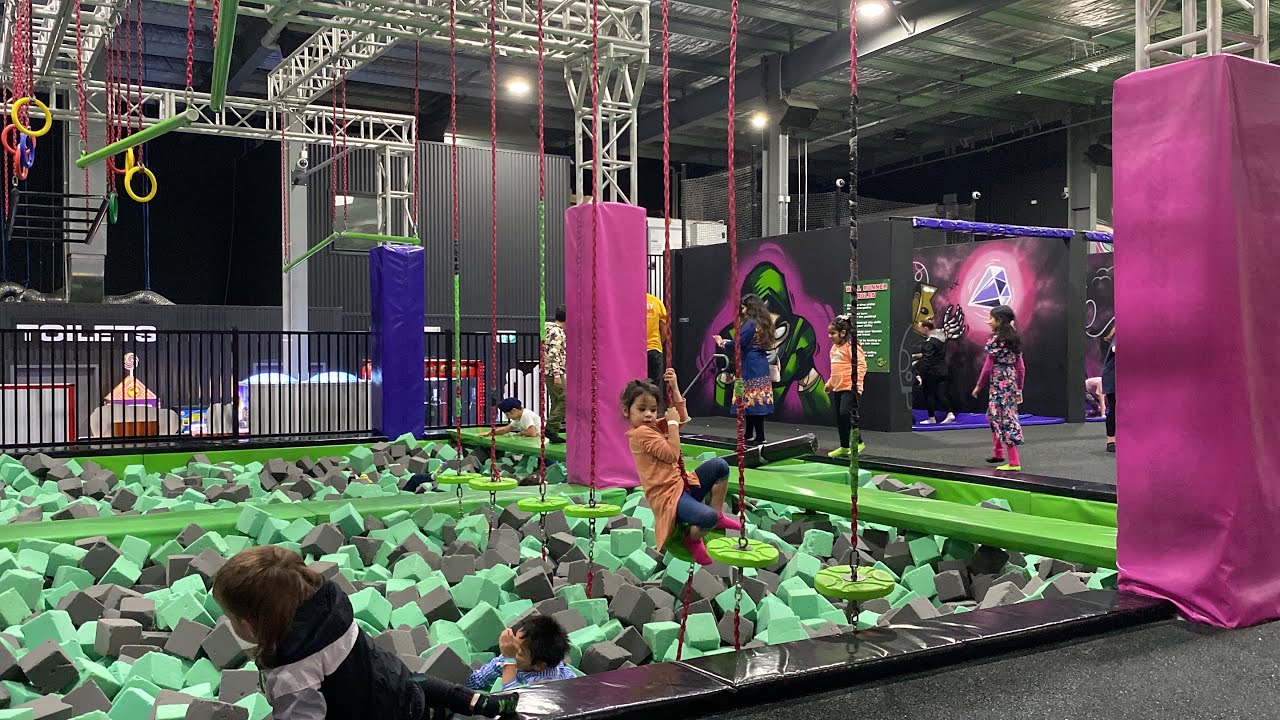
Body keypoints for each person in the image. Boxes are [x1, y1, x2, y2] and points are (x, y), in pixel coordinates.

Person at [212, 545, 518, 720]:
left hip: (387, 714)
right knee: (424, 683)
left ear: (249, 626)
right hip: (398, 683)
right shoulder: (331, 610)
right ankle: (481, 703)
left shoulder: (293, 673)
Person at [623, 368, 741, 566]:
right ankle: (692, 538)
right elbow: (671, 454)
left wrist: (675, 389)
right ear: (627, 411)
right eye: (641, 409)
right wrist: (672, 425)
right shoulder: (641, 434)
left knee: (720, 466)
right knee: (707, 518)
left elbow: (682, 418)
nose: (648, 415)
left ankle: (718, 513)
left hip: (683, 484)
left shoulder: (650, 428)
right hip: (668, 497)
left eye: (653, 410)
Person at [713, 294, 775, 446]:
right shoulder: (764, 323)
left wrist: (722, 343)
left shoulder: (750, 324)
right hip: (760, 364)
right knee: (756, 400)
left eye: (743, 307)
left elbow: (739, 343)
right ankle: (755, 434)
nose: (742, 310)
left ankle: (755, 435)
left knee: (749, 400)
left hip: (750, 365)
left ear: (750, 307)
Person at [972, 305, 1026, 472]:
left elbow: (987, 367)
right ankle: (998, 452)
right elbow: (1021, 368)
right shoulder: (1014, 340)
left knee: (1004, 420)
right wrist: (1019, 389)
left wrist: (978, 386)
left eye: (992, 318)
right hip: (1010, 383)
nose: (989, 321)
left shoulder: (995, 341)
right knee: (994, 415)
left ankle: (1014, 461)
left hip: (998, 384)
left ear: (1000, 321)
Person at [467, 616, 574, 691]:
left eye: (519, 652)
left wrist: (509, 660)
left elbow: (510, 700)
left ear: (539, 665)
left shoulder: (543, 683)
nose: (512, 648)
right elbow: (478, 679)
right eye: (514, 640)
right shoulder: (514, 656)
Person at [824, 315, 866, 457]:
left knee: (845, 413)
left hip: (850, 387)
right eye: (829, 333)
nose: (830, 336)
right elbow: (835, 369)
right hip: (838, 387)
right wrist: (830, 384)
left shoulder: (852, 347)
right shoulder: (834, 349)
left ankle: (859, 442)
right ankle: (844, 446)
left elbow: (861, 365)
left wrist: (857, 384)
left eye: (833, 333)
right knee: (840, 418)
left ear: (842, 333)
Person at [913, 320, 956, 425]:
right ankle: (950, 413)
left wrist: (920, 373)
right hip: (943, 370)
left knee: (929, 394)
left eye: (920, 327)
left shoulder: (930, 342)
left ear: (926, 328)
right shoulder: (940, 340)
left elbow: (928, 358)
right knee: (941, 393)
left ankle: (931, 417)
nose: (919, 330)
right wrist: (915, 356)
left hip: (932, 372)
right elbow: (932, 354)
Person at [543, 305, 567, 444]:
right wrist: (557, 374)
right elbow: (554, 353)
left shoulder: (547, 329)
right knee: (566, 399)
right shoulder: (558, 332)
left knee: (556, 400)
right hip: (554, 371)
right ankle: (551, 428)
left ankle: (553, 431)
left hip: (547, 370)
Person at [645, 293, 669, 387]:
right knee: (653, 387)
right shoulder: (656, 302)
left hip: (633, 352)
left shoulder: (629, 301)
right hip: (653, 348)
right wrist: (658, 343)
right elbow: (664, 331)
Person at [1101, 325, 1116, 453]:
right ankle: (1111, 441)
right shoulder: (1119, 334)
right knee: (1114, 408)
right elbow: (1115, 349)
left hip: (1123, 378)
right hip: (1112, 378)